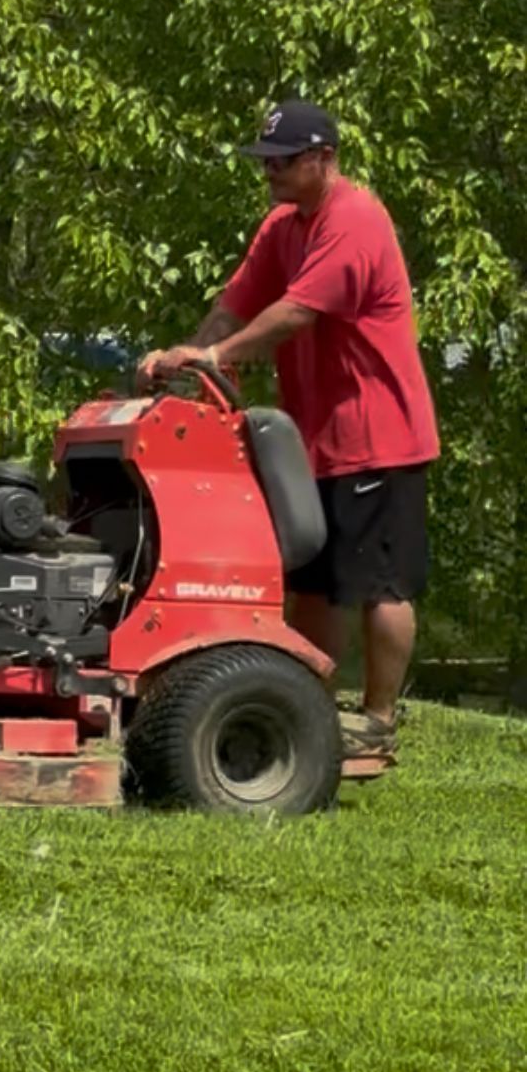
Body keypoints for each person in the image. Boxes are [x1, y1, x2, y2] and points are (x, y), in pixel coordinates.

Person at [139, 100, 440, 757]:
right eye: (265, 161)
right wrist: (189, 358)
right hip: (316, 439)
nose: (269, 172)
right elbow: (238, 302)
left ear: (323, 158)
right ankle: (311, 706)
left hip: (379, 435)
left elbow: (294, 313)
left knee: (380, 583)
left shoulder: (355, 220)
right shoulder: (283, 227)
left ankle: (380, 720)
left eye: (283, 161)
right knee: (312, 580)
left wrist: (219, 357)